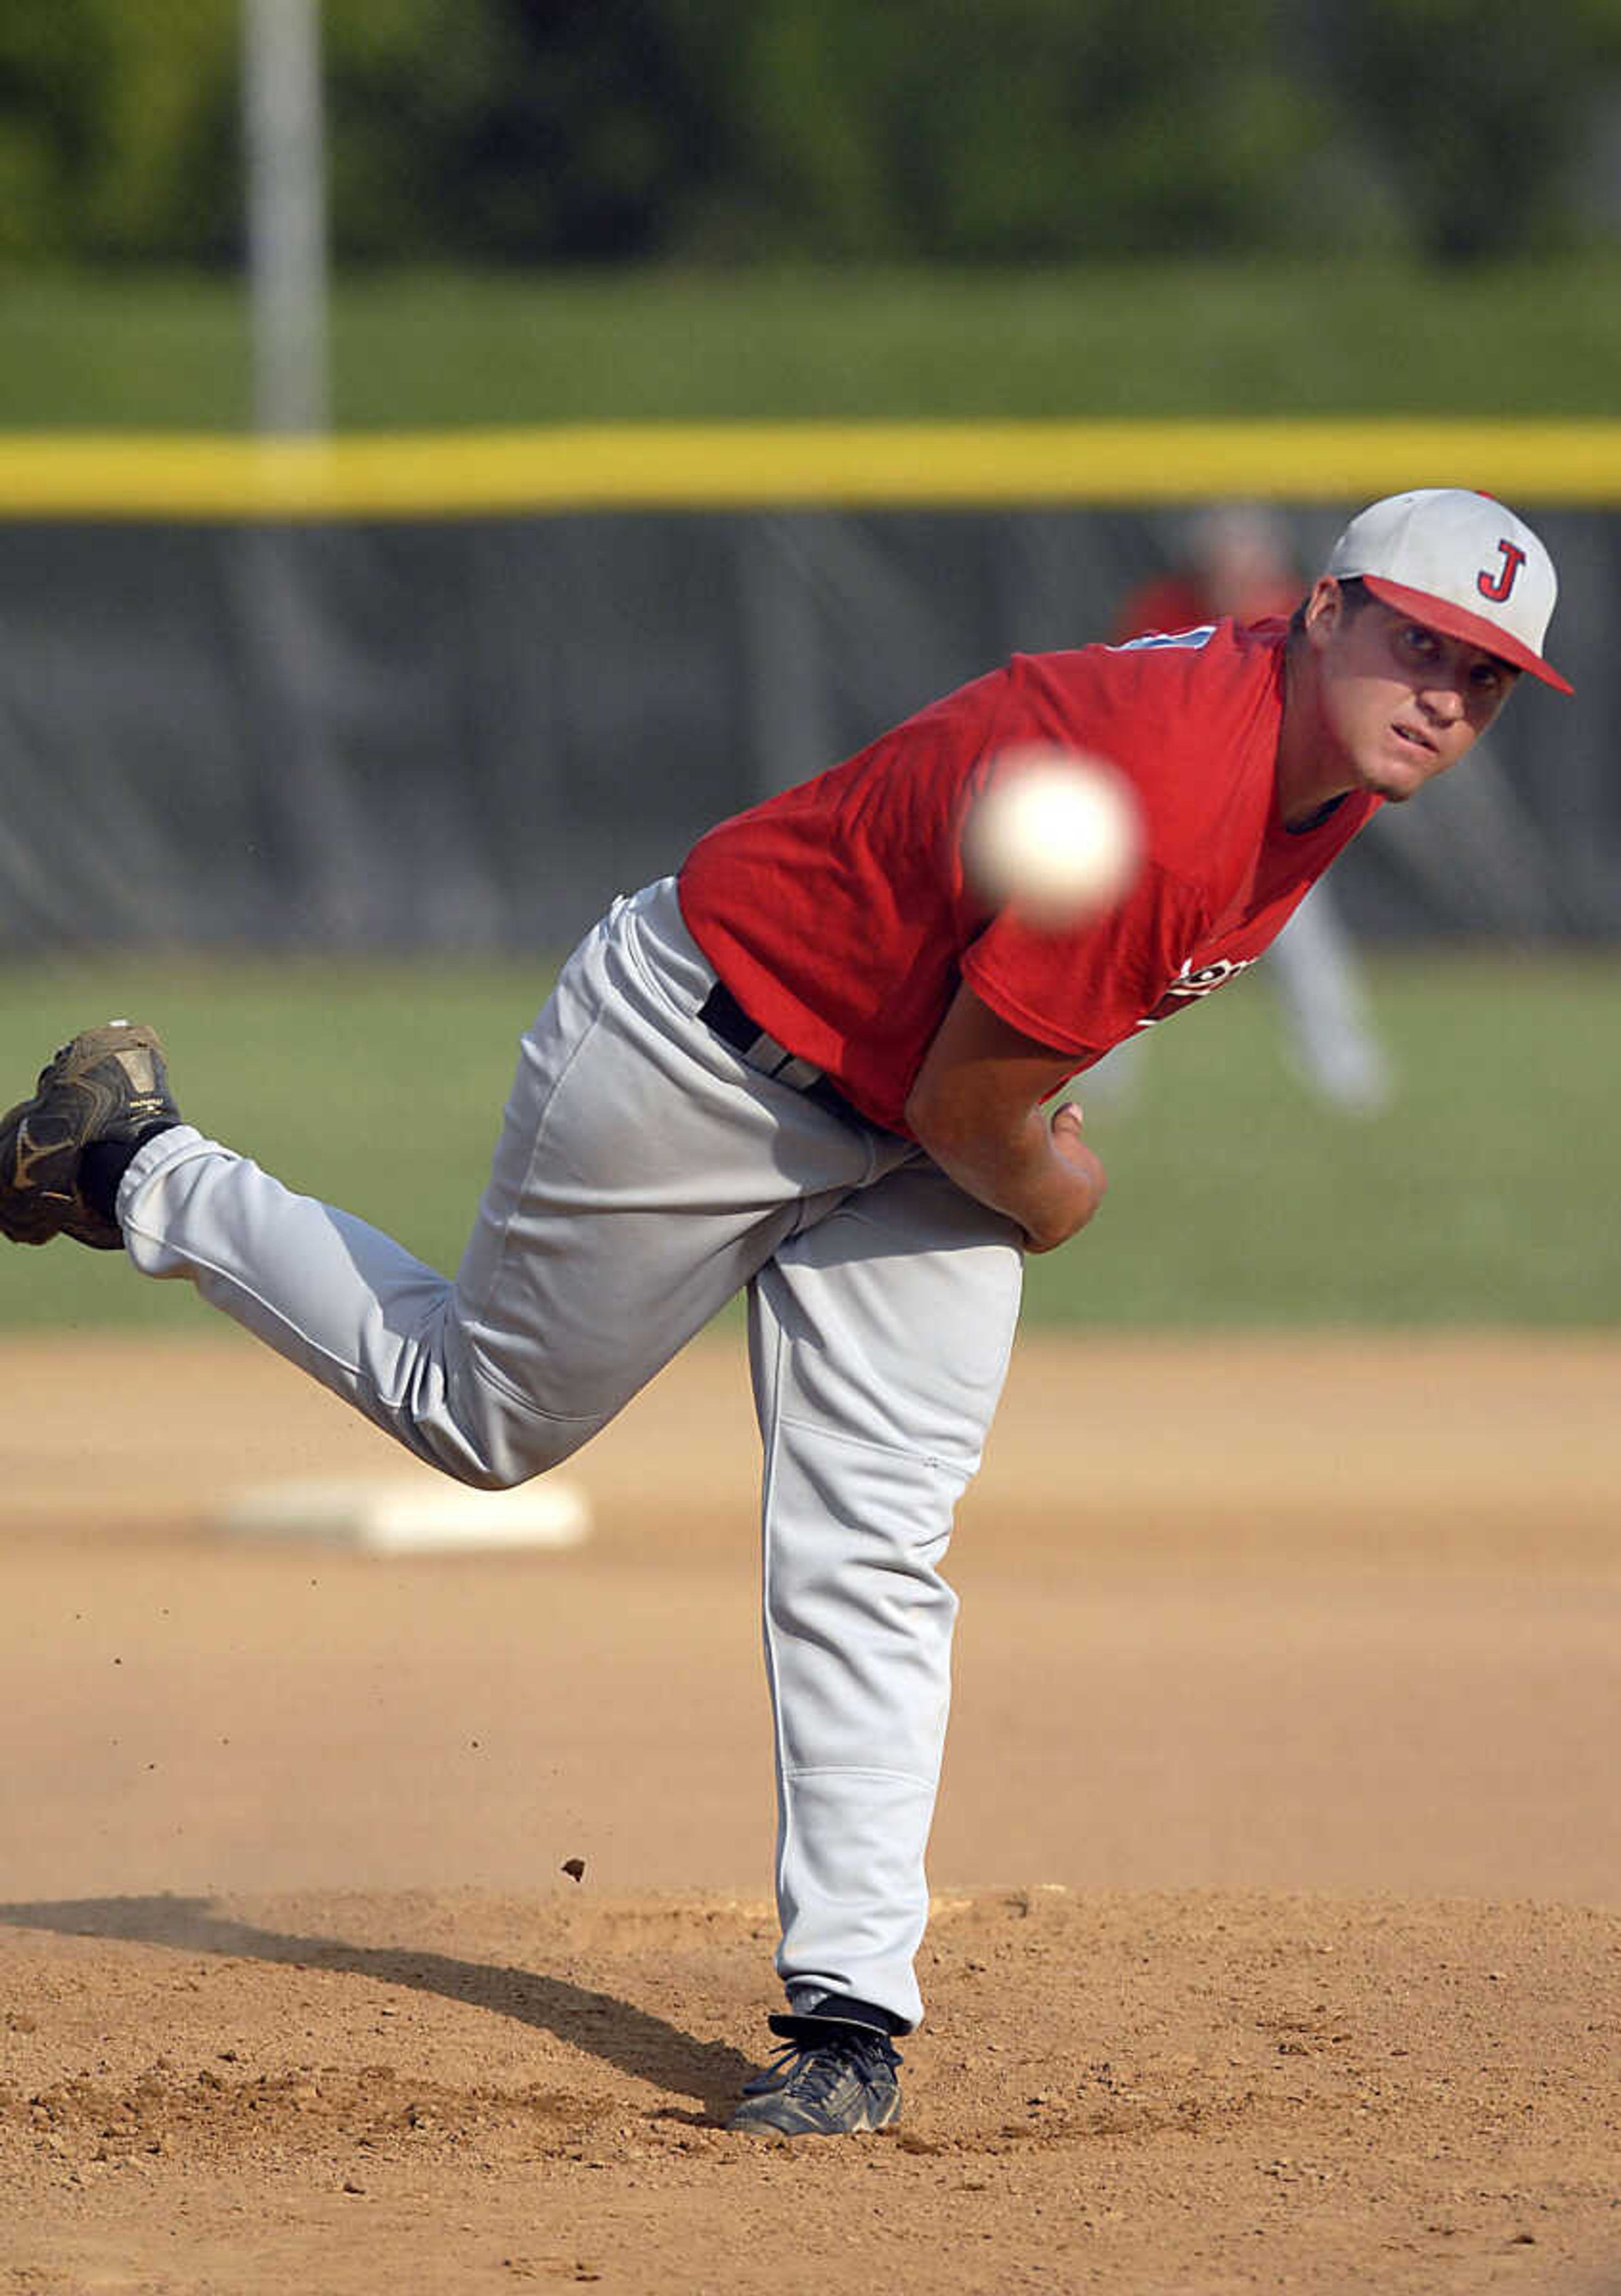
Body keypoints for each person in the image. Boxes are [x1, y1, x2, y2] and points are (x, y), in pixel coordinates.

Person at [0, 487, 1570, 2139]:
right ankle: (132, 1162)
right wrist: (1057, 1192)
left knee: (873, 1541)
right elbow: (986, 1118)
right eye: (1422, 643)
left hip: (906, 1119)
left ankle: (848, 2016)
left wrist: (1013, 1133)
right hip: (702, 1053)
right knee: (479, 1420)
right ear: (1325, 611)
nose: (1447, 697)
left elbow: (969, 1092)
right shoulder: (1179, 782)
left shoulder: (1320, 750)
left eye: (1486, 679)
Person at [1109, 503, 1393, 1115]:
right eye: (1226, 558)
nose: (1238, 570)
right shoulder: (1168, 612)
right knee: (1120, 944)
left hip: (1263, 823)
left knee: (1303, 940)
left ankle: (1344, 1067)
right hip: (1167, 816)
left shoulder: (1299, 615)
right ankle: (1096, 1072)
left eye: (1249, 558)